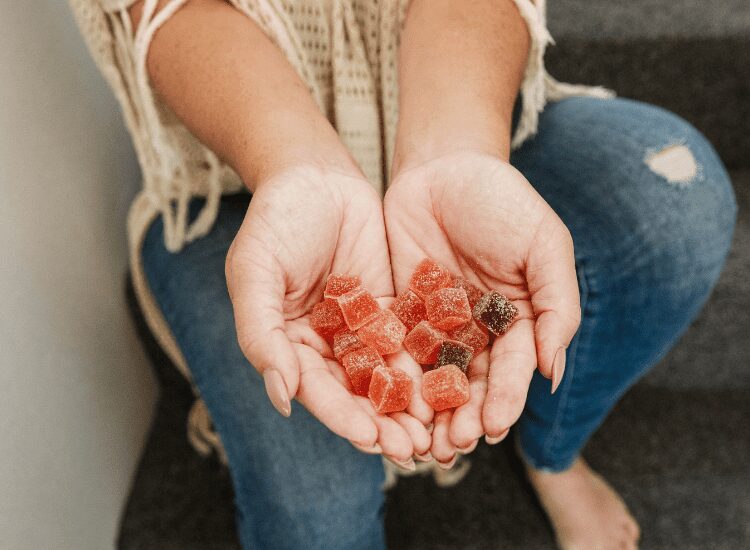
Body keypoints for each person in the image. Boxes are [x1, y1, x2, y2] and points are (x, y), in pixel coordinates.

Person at [71, 0, 736, 548]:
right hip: (232, 180)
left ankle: (551, 449)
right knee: (314, 526)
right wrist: (295, 164)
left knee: (675, 197)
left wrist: (457, 150)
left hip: (454, 99)